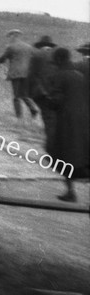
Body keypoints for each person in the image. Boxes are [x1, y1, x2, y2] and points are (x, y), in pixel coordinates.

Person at [47, 47, 89, 202]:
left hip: (66, 121)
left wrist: (48, 100)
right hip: (83, 120)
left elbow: (56, 100)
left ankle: (70, 191)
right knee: (81, 154)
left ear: (59, 60)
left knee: (63, 153)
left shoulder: (60, 75)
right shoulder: (79, 75)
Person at [0, 29, 39, 120]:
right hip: (27, 73)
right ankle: (33, 109)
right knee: (24, 94)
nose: (9, 38)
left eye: (10, 36)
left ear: (13, 36)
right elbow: (34, 58)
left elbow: (3, 58)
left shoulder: (11, 47)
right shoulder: (28, 47)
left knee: (16, 96)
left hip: (16, 73)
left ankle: (19, 117)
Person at [28, 35, 58, 153]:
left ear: (40, 46)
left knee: (49, 122)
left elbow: (30, 75)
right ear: (50, 46)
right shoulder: (56, 57)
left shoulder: (35, 56)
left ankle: (51, 151)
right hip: (55, 95)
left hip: (40, 94)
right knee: (54, 121)